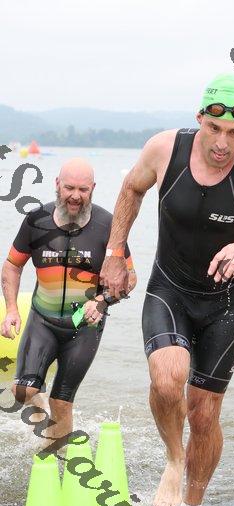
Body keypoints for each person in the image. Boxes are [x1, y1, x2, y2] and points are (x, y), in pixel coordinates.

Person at [100, 73, 234, 506]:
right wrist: (115, 251)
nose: (223, 142)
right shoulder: (165, 148)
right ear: (200, 118)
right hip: (168, 290)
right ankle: (173, 458)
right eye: (214, 128)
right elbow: (131, 189)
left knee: (204, 413)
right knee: (167, 380)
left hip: (226, 305)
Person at [0, 158, 136, 443]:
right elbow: (12, 266)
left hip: (84, 327)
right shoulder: (36, 221)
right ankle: (40, 410)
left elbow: (130, 278)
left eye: (83, 190)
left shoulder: (108, 225)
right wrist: (11, 308)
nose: (75, 196)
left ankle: (55, 458)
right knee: (23, 391)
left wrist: (102, 301)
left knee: (62, 402)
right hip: (42, 321)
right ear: (57, 185)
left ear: (93, 188)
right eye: (69, 188)